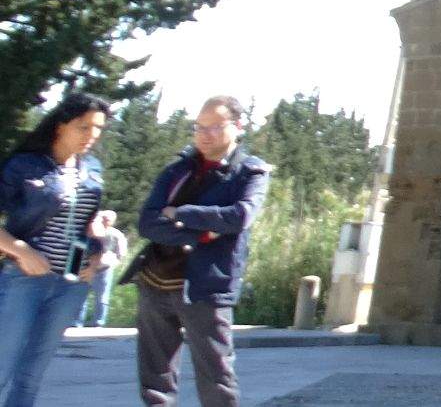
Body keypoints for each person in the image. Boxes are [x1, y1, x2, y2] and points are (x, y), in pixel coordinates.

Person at [128, 96, 269, 407]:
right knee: (155, 378)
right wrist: (205, 231)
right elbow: (148, 223)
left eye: (215, 127)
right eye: (199, 127)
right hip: (155, 281)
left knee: (216, 374)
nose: (205, 135)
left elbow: (239, 217)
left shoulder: (250, 172)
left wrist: (179, 213)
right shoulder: (177, 169)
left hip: (206, 285)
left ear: (238, 126)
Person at [0, 92, 110, 407]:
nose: (92, 135)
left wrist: (94, 257)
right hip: (23, 279)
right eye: (84, 126)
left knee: (32, 376)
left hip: (70, 284)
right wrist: (21, 250)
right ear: (61, 125)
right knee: (2, 367)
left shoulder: (92, 168)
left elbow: (82, 225)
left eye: (99, 129)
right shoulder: (25, 165)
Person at [75, 208, 125, 328]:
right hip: (84, 267)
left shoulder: (116, 234)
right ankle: (77, 323)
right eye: (103, 218)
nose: (105, 221)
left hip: (104, 269)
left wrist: (114, 263)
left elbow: (121, 252)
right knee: (80, 296)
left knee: (102, 297)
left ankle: (99, 323)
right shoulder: (88, 232)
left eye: (108, 219)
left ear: (113, 221)